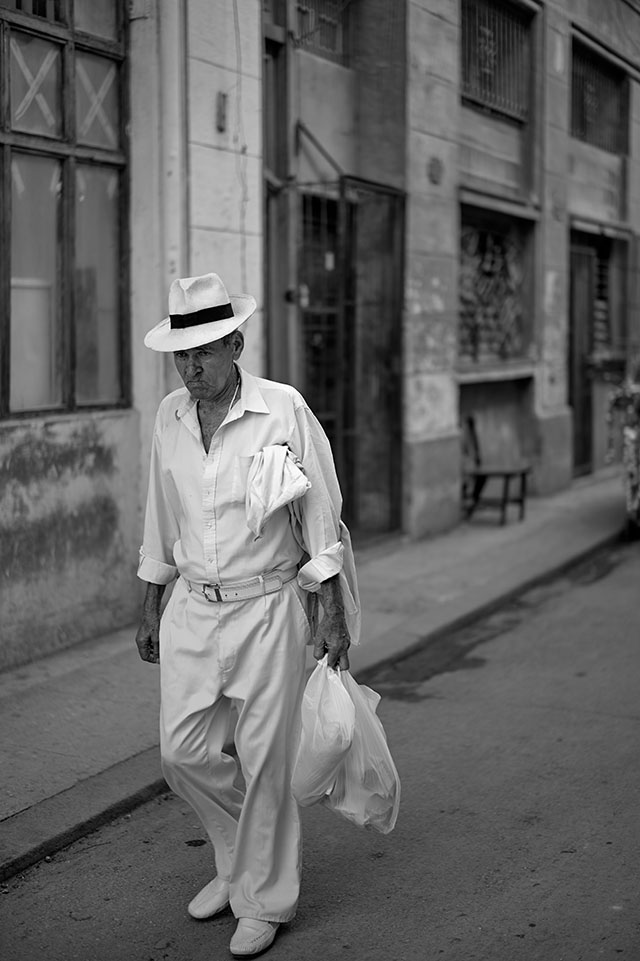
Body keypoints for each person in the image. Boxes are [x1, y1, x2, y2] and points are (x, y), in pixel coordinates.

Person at [135, 272, 360, 957]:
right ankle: (238, 856)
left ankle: (266, 897)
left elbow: (319, 512)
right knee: (182, 751)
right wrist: (149, 600)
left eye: (203, 350)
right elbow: (158, 513)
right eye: (182, 353)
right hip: (194, 609)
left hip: (268, 606)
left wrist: (331, 610)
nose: (190, 365)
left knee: (264, 760)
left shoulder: (281, 409)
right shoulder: (170, 416)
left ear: (235, 342)